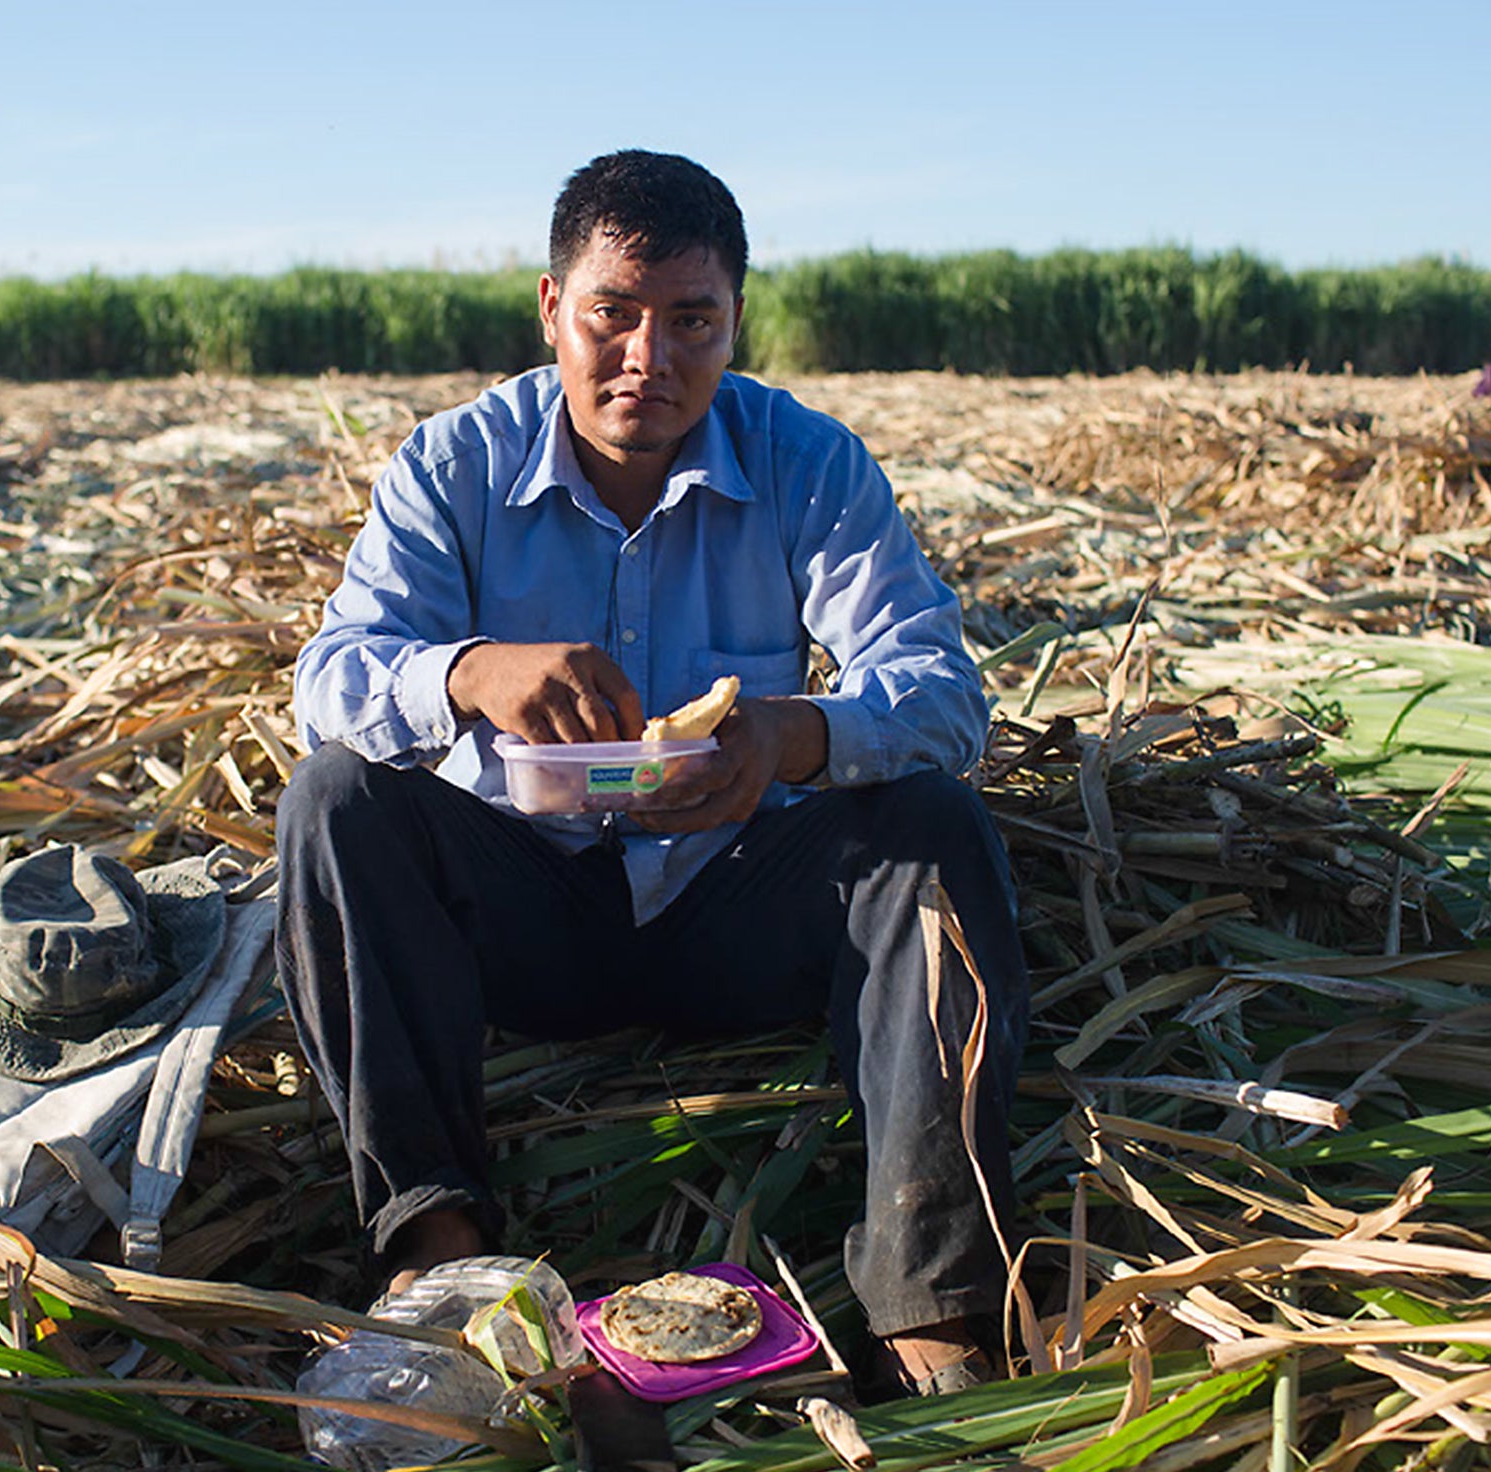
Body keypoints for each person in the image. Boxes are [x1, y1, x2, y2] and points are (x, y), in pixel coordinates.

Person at [275, 149, 1030, 1396]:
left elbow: (945, 698)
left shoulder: (807, 463)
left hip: (734, 903)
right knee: (336, 803)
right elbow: (329, 678)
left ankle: (929, 1306)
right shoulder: (452, 465)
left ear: (736, 321)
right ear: (550, 310)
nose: (649, 360)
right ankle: (437, 1253)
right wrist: (467, 672)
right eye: (610, 317)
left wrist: (793, 738)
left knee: (934, 825)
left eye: (692, 323)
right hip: (522, 913)